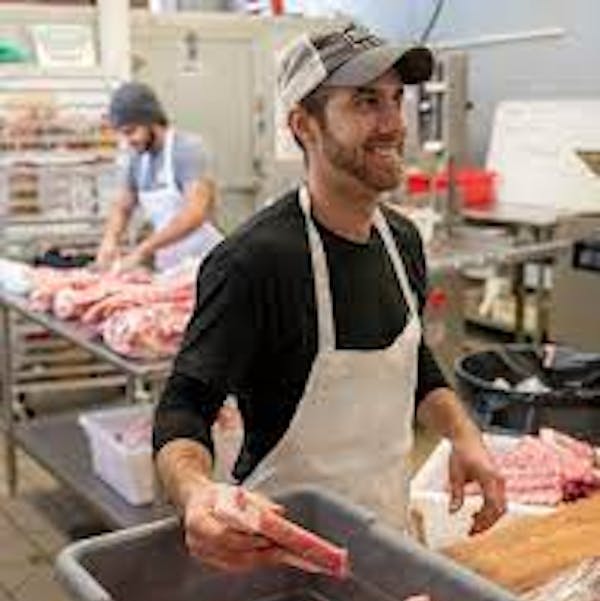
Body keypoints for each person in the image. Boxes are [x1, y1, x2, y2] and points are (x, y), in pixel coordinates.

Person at [153, 22, 506, 570]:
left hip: (388, 532)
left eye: (396, 99)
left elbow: (414, 360)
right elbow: (184, 405)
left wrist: (464, 436)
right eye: (366, 102)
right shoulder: (253, 261)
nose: (392, 123)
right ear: (304, 125)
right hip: (281, 556)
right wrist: (197, 493)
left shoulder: (402, 240)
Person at [96, 81, 223, 273]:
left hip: (205, 261)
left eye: (131, 131)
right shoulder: (137, 158)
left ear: (151, 121)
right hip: (170, 265)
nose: (128, 140)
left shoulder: (187, 149)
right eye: (123, 134)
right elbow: (123, 207)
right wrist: (110, 240)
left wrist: (143, 249)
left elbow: (195, 213)